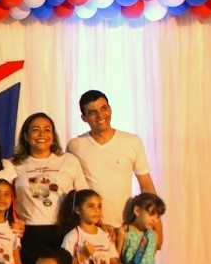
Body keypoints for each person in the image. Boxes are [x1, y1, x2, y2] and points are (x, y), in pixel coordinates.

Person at [12, 112, 88, 264]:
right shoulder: (13, 165)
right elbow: (2, 198)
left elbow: (84, 197)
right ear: (25, 136)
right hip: (29, 235)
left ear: (53, 136)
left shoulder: (68, 161)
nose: (41, 134)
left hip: (63, 232)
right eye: (35, 130)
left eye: (47, 130)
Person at [67, 90, 158, 230]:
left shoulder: (132, 141)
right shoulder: (76, 146)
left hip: (126, 227)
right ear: (83, 118)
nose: (100, 115)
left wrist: (157, 227)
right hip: (92, 228)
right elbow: (71, 189)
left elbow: (146, 185)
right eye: (92, 112)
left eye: (104, 108)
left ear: (110, 109)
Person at [116, 193, 166, 264]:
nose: (155, 220)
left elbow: (150, 260)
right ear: (137, 211)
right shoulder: (124, 232)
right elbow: (115, 259)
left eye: (158, 216)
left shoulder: (153, 236)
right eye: (151, 214)